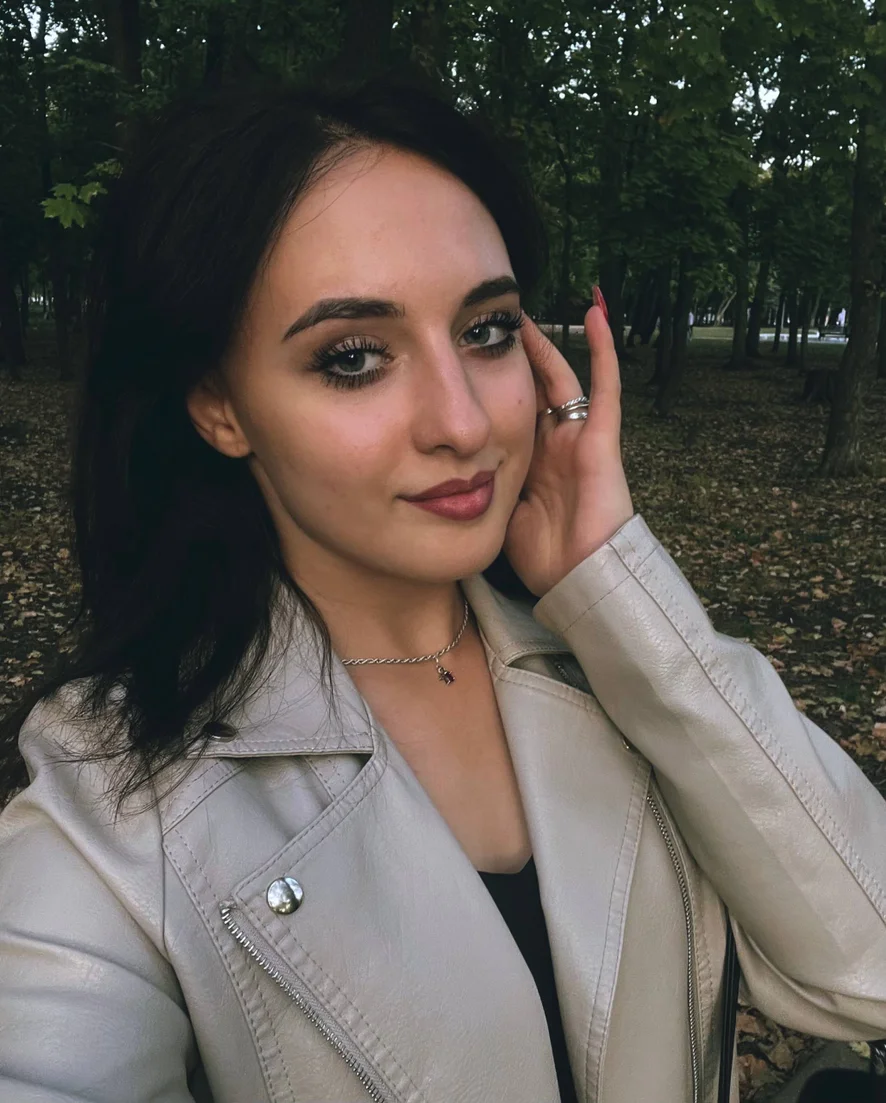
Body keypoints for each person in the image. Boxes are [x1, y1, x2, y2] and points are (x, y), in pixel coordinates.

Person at [1, 73, 885, 1103]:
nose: (463, 422)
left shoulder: (608, 664)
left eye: (486, 330)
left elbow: (863, 968)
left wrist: (617, 587)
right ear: (220, 408)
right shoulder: (117, 795)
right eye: (354, 357)